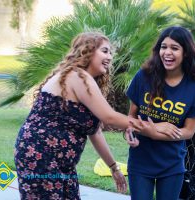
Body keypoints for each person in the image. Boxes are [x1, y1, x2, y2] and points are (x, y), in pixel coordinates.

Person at [14, 31, 143, 199]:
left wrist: (113, 168)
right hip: (40, 156)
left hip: (63, 163)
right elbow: (109, 117)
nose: (110, 57)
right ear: (87, 51)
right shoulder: (77, 76)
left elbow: (95, 131)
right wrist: (152, 127)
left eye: (110, 53)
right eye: (105, 51)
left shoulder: (85, 81)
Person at [125, 26, 195, 200]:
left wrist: (154, 133)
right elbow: (131, 118)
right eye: (164, 47)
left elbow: (189, 131)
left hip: (171, 164)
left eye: (174, 48)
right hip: (140, 162)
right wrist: (155, 128)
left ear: (186, 52)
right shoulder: (143, 76)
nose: (167, 52)